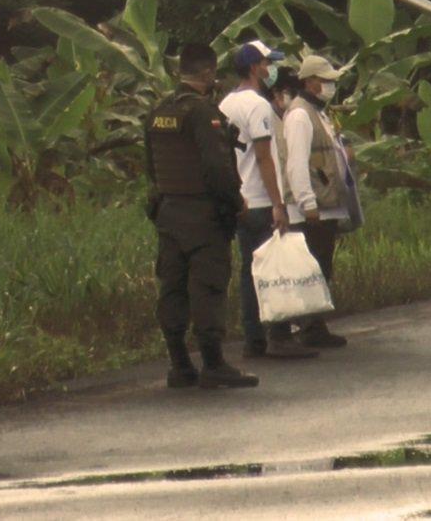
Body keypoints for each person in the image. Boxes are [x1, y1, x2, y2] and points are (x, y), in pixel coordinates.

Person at [144, 43, 257, 388]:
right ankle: (213, 363)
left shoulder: (158, 111)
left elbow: (150, 165)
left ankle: (179, 365)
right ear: (207, 73)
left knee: (173, 288)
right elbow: (216, 166)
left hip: (169, 212)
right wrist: (236, 201)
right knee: (207, 286)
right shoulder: (201, 113)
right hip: (202, 214)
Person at [220, 40, 317, 360]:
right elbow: (264, 157)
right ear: (253, 68)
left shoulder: (225, 104)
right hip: (261, 199)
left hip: (240, 197)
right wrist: (279, 204)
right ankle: (279, 335)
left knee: (251, 270)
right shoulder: (258, 105)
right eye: (266, 63)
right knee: (275, 270)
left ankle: (253, 338)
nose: (270, 68)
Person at [280, 54, 358, 349]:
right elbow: (296, 164)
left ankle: (316, 323)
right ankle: (309, 326)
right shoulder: (300, 115)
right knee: (314, 267)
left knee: (323, 266)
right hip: (315, 207)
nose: (330, 86)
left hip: (328, 203)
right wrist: (306, 203)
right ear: (310, 81)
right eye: (325, 81)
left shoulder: (320, 112)